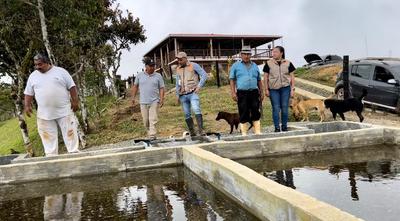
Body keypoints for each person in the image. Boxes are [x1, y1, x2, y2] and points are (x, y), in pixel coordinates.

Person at [24, 53, 80, 156]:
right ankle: (51, 158)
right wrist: (27, 106)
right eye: (35, 65)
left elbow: (72, 87)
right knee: (48, 141)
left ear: (47, 62)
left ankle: (74, 155)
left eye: (39, 64)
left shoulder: (61, 72)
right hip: (44, 114)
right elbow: (28, 93)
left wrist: (75, 101)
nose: (37, 67)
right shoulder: (33, 76)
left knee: (70, 135)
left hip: (64, 111)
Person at [229, 45, 264, 136]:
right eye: (244, 54)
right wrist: (233, 92)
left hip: (254, 92)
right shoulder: (235, 66)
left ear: (250, 55)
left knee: (255, 110)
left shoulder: (255, 65)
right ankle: (244, 132)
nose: (246, 56)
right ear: (241, 55)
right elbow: (232, 80)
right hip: (242, 92)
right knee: (243, 111)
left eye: (248, 54)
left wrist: (262, 92)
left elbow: (259, 80)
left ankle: (257, 131)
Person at [263, 46, 296, 132]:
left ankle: (284, 127)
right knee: (276, 108)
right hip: (273, 89)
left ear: (281, 53)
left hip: (285, 88)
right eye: (273, 52)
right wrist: (266, 89)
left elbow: (292, 77)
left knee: (285, 108)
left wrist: (292, 89)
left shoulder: (288, 63)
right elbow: (265, 77)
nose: (273, 53)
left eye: (276, 52)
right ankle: (277, 127)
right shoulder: (268, 63)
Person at [132, 57, 165, 140]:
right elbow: (135, 86)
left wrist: (161, 99)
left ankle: (152, 135)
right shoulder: (139, 75)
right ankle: (149, 132)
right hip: (143, 102)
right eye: (150, 66)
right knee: (146, 121)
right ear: (146, 66)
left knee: (153, 119)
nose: (152, 67)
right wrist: (133, 98)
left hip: (154, 101)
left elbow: (161, 88)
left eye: (153, 66)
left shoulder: (158, 76)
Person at [175, 52, 208, 136]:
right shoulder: (178, 69)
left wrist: (199, 86)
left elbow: (204, 75)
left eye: (181, 59)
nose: (179, 61)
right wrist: (177, 95)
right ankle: (192, 132)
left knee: (196, 109)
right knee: (186, 114)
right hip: (183, 95)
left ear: (185, 58)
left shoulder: (193, 65)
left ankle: (201, 130)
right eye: (178, 59)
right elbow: (177, 82)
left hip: (193, 93)